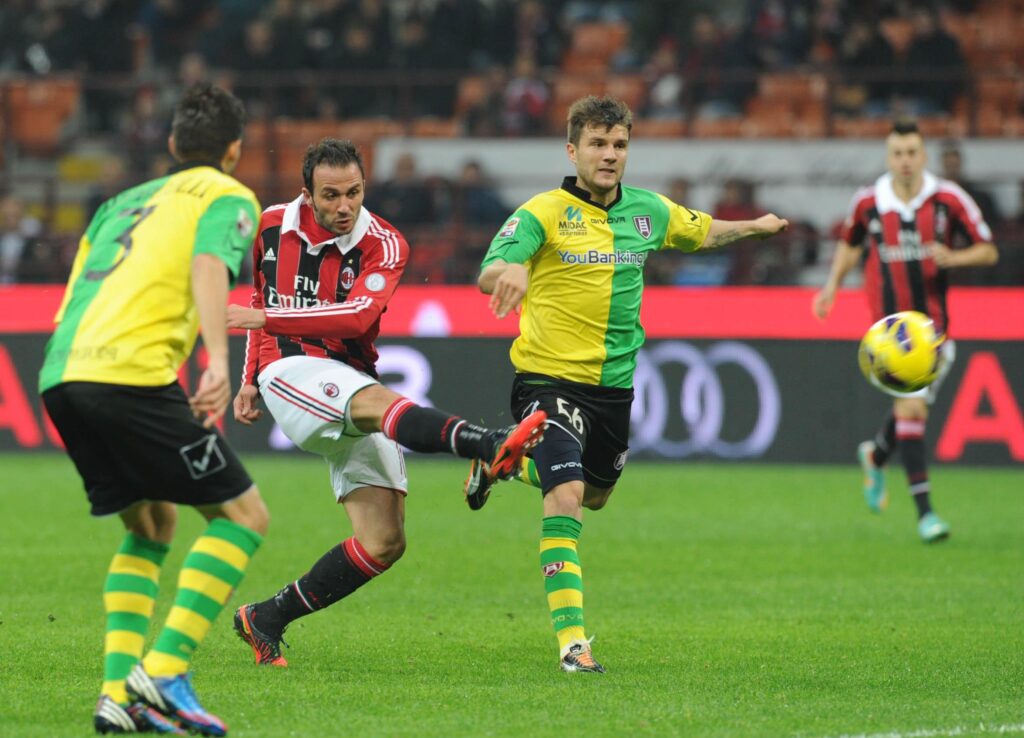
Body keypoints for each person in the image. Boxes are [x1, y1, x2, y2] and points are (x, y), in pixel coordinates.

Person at [462, 95, 788, 673]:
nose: (610, 155)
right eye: (597, 144)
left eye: (619, 144)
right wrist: (509, 271)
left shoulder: (648, 211)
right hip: (547, 378)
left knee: (595, 494)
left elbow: (703, 232)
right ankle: (573, 645)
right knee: (566, 497)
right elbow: (491, 268)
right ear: (572, 150)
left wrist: (755, 228)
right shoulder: (543, 213)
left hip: (613, 388)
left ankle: (500, 459)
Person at [227, 138, 546, 668]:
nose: (344, 206)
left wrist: (268, 319)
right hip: (287, 370)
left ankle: (266, 617)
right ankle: (486, 444)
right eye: (331, 195)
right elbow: (262, 298)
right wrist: (249, 379)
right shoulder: (271, 226)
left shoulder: (385, 242)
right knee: (378, 404)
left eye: (354, 192)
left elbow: (356, 318)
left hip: (350, 375)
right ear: (307, 193)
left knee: (383, 541)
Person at [39, 83, 269, 736]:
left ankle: (118, 695)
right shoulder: (227, 195)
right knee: (243, 516)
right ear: (233, 150)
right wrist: (218, 362)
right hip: (130, 375)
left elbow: (80, 290)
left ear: (171, 144)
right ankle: (164, 672)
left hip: (62, 370)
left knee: (150, 524)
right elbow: (208, 263)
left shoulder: (118, 203)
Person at [813, 120, 998, 543]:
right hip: (890, 331)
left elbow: (988, 250)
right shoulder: (868, 202)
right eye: (897, 153)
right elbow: (850, 244)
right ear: (888, 157)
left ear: (924, 155)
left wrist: (955, 257)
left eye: (912, 152)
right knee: (912, 410)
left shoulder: (949, 199)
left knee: (911, 410)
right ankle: (926, 515)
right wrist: (831, 286)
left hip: (936, 330)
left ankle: (877, 455)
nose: (905, 161)